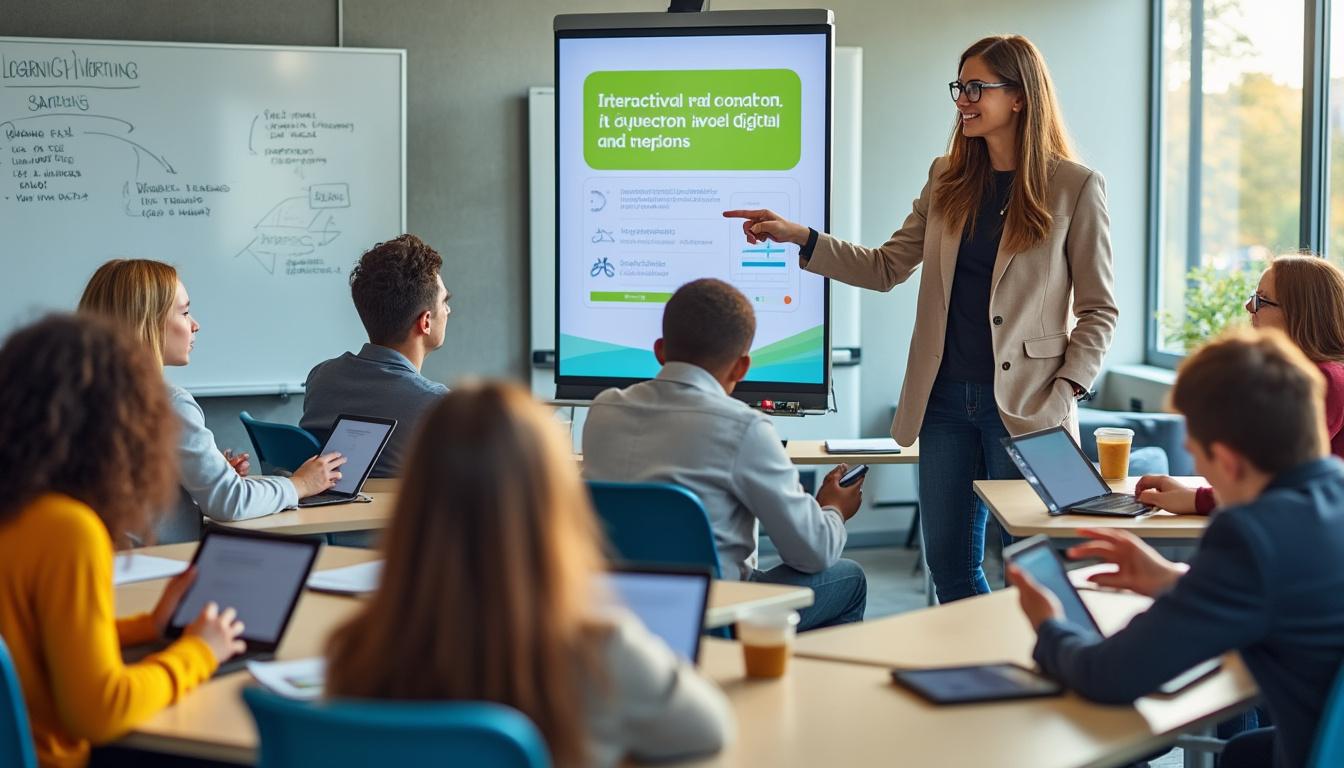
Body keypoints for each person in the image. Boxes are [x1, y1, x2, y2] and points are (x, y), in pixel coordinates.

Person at [725, 34, 1116, 602]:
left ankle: (1035, 674)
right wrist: (801, 238)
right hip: (944, 404)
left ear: (1021, 97)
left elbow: (1100, 308)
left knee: (1034, 569)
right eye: (960, 87)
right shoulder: (947, 178)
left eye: (977, 87)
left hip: (1033, 407)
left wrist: (1067, 389)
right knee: (951, 567)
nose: (963, 99)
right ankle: (984, 672)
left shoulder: (1074, 186)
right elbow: (886, 267)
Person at [326, 382, 731, 767]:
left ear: (416, 498)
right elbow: (709, 728)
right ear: (553, 506)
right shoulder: (602, 653)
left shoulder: (358, 651)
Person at [1008, 327, 1344, 768]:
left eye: (1196, 457)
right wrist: (1171, 581)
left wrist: (1050, 628)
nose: (1197, 471)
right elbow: (1285, 597)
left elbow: (1111, 676)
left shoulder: (1250, 534)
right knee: (1244, 754)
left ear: (1225, 460)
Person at [0, 314, 246, 768]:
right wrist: (200, 652)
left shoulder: (20, 511)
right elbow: (101, 711)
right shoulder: (68, 529)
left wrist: (147, 628)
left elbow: (35, 641)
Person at [581, 279, 867, 632]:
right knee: (848, 578)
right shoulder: (744, 427)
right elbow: (813, 553)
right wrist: (833, 509)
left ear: (659, 350)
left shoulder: (603, 409)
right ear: (741, 367)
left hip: (615, 607)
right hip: (714, 614)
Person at [78, 259, 345, 543]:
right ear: (148, 323)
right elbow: (230, 503)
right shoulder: (167, 405)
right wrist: (300, 484)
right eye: (184, 312)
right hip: (161, 566)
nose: (195, 325)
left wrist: (205, 476)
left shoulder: (74, 398)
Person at [1138, 254, 1344, 514]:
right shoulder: (1300, 376)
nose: (1249, 307)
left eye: (1261, 300)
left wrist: (1195, 500)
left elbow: (1269, 479)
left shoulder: (1326, 380)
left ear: (1300, 313)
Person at [301, 234, 451, 476]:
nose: (448, 310)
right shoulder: (437, 405)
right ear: (425, 322)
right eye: (445, 301)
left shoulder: (320, 378)